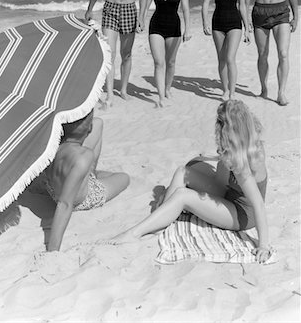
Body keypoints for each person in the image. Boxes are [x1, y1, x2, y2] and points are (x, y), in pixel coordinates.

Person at [111, 100, 273, 264]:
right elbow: (222, 180)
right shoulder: (244, 141)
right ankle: (160, 217)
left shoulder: (244, 163)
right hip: (231, 194)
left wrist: (264, 245)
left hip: (242, 215)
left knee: (183, 196)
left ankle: (134, 233)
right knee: (184, 171)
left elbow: (258, 203)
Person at [43, 110, 129, 251]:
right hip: (79, 200)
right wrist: (53, 250)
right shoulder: (84, 155)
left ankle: (90, 175)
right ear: (89, 129)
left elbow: (94, 123)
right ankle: (91, 176)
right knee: (124, 178)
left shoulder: (53, 142)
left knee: (99, 122)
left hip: (53, 187)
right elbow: (65, 204)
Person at [84, 0, 147, 107]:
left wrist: (142, 16)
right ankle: (110, 93)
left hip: (129, 10)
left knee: (126, 54)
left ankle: (124, 90)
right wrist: (89, 9)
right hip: (110, 9)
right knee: (109, 53)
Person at [245, 0, 298, 106]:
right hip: (260, 12)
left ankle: (281, 93)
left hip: (281, 12)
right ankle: (263, 89)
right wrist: (244, 14)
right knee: (262, 54)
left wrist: (296, 16)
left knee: (283, 53)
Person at [143, 0, 191, 107]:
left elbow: (185, 8)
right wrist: (141, 20)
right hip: (156, 26)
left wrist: (188, 29)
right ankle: (161, 97)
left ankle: (167, 88)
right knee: (158, 62)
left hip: (174, 27)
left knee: (170, 62)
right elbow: (145, 6)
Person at [202, 0, 250, 101]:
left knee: (230, 58)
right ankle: (224, 90)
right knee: (221, 58)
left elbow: (242, 5)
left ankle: (233, 92)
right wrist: (204, 23)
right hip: (218, 23)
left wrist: (247, 28)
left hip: (235, 23)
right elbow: (205, 4)